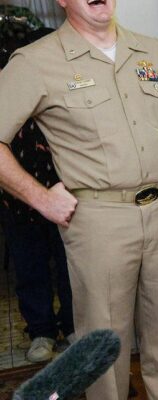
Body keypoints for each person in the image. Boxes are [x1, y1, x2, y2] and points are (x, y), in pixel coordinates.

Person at [0, 0, 158, 397]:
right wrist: (40, 199)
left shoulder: (151, 50)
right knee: (103, 347)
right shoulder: (36, 60)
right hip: (99, 220)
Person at [0, 20, 73, 363]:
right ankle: (41, 331)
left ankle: (73, 326)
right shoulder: (11, 87)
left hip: (70, 199)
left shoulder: (68, 87)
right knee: (30, 269)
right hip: (19, 200)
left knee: (71, 266)